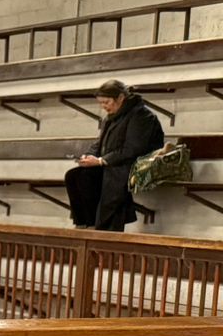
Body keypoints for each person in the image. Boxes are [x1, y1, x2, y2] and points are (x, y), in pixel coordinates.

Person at [65, 79, 166, 232]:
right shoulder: (111, 117)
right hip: (112, 162)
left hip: (133, 164)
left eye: (106, 102)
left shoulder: (141, 115)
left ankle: (103, 227)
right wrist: (88, 156)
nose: (104, 106)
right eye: (101, 103)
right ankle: (85, 222)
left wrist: (101, 160)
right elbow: (99, 143)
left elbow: (133, 149)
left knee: (108, 180)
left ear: (120, 98)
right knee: (74, 176)